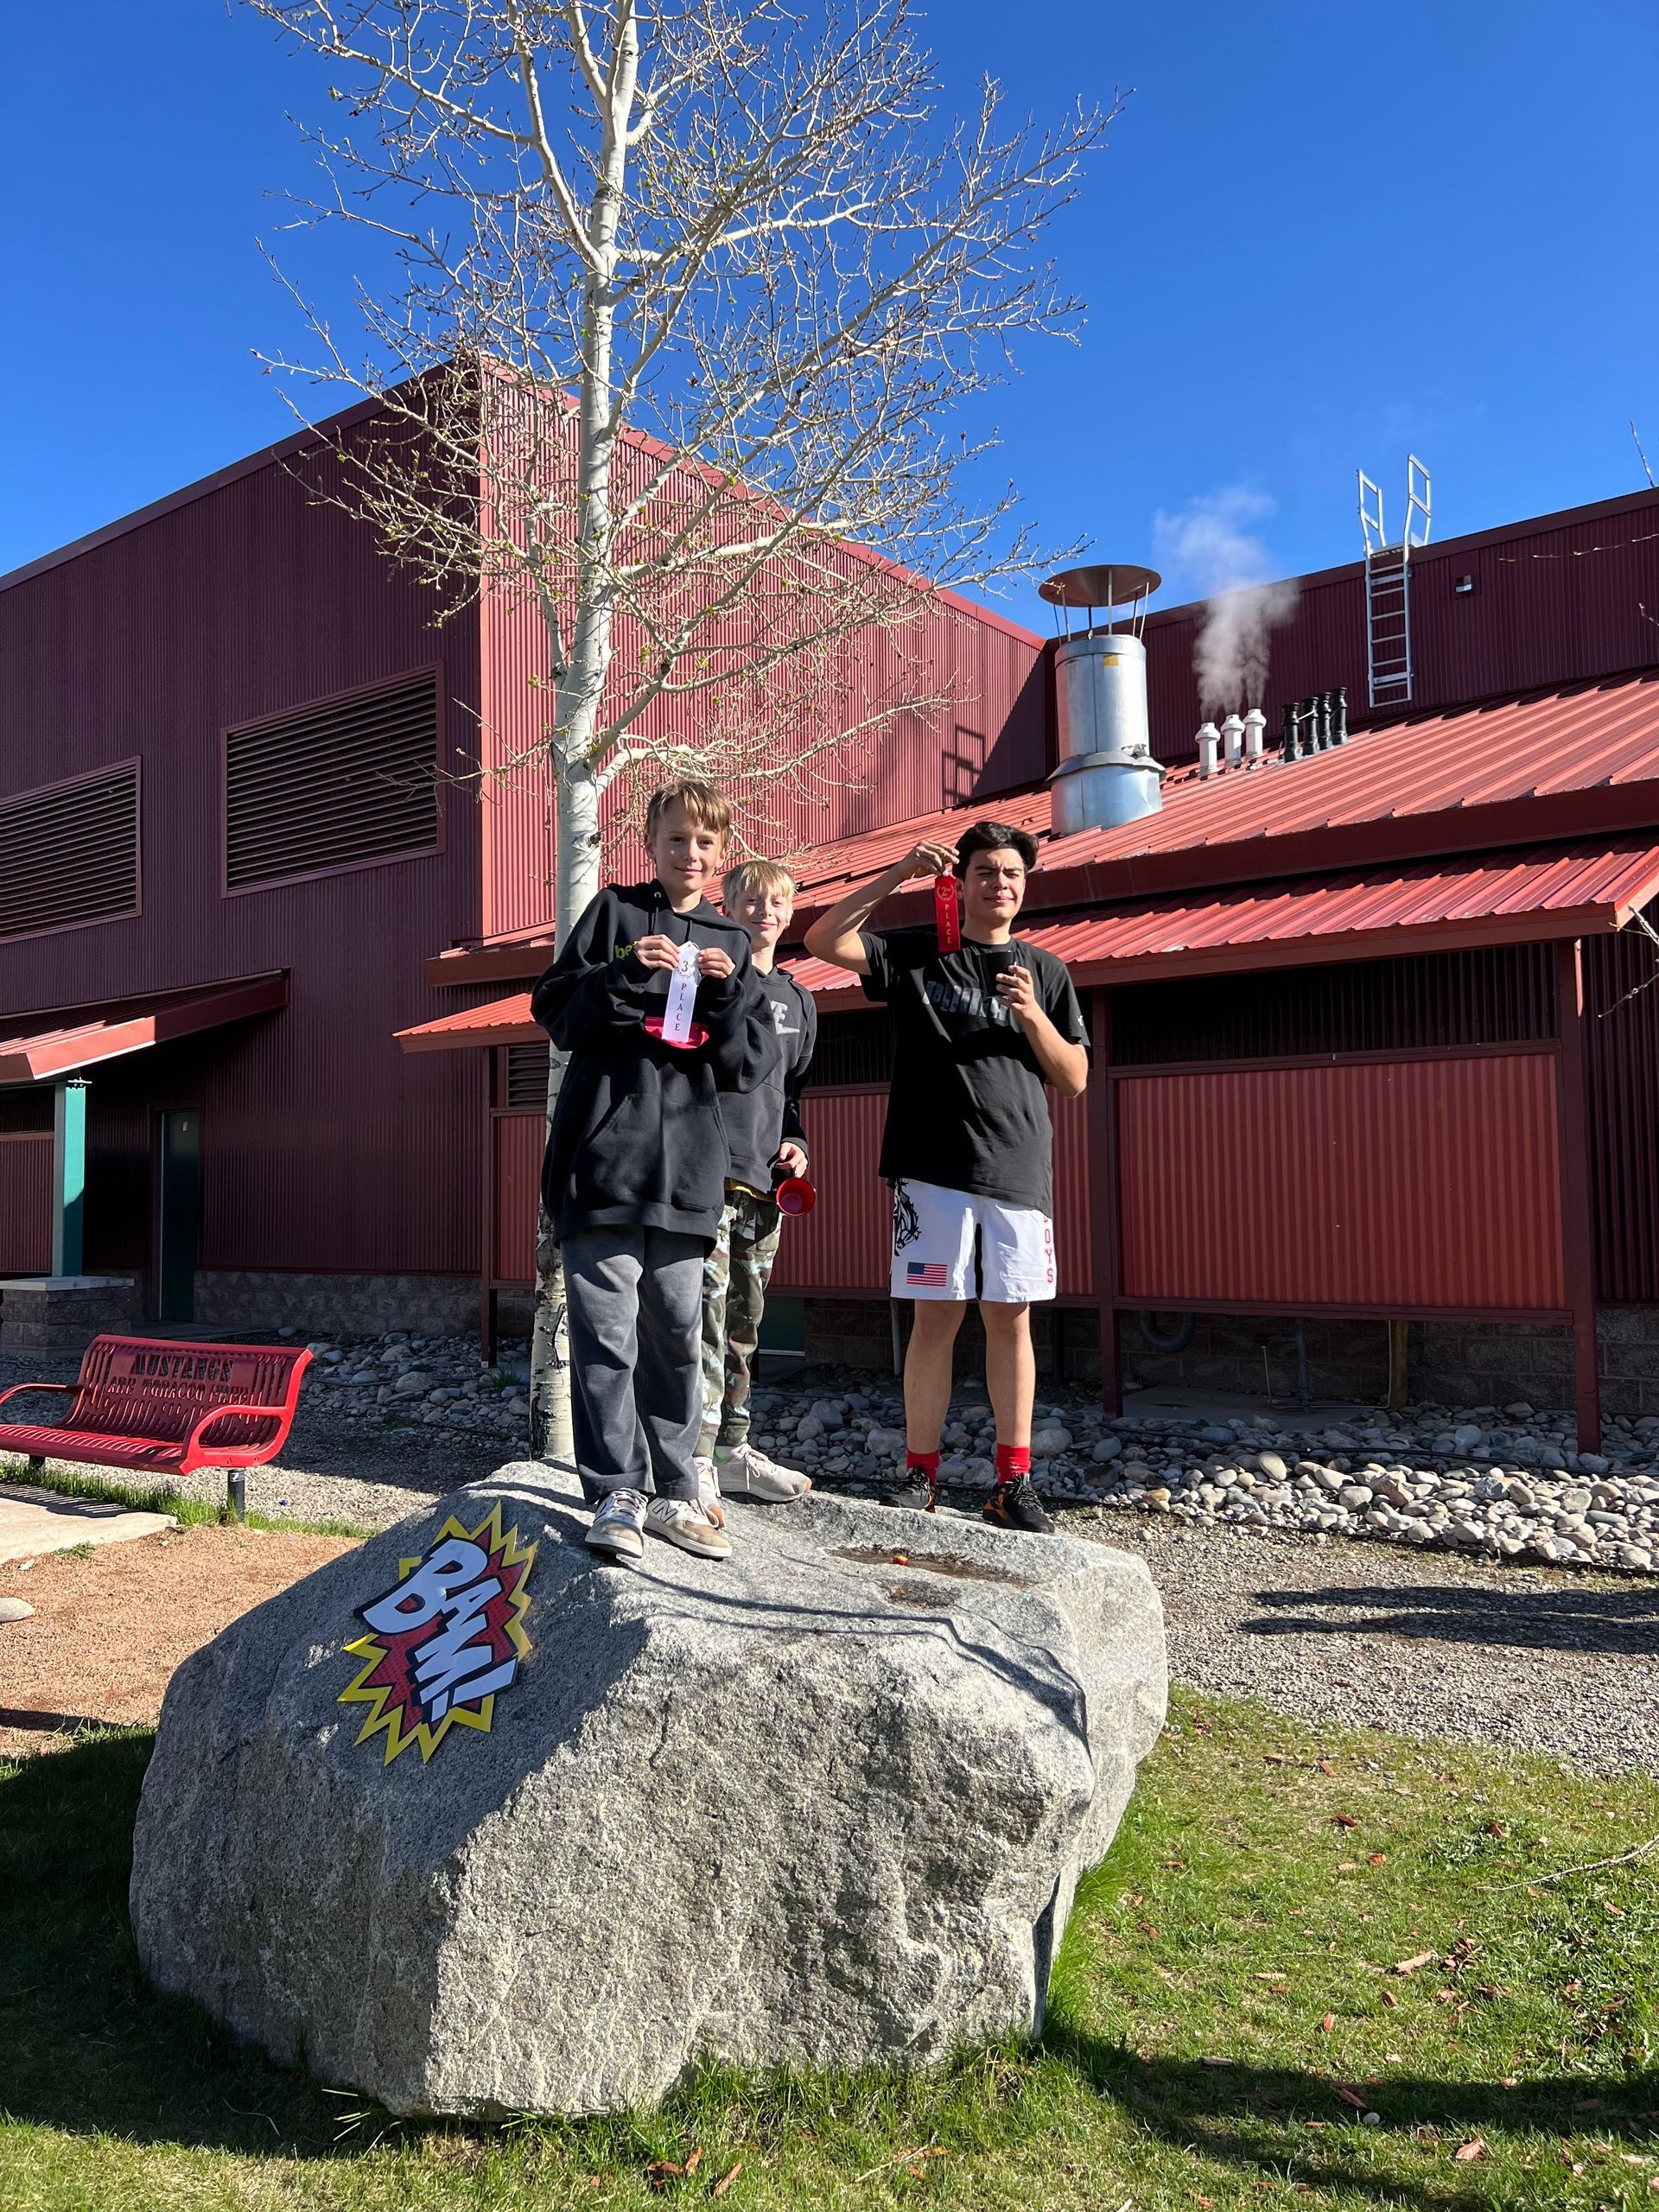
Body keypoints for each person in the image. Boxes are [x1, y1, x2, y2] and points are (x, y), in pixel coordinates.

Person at [803, 818, 1089, 1534]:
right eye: (987, 872)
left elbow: (1076, 1078)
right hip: (929, 1170)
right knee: (937, 1318)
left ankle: (1013, 1484)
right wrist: (896, 873)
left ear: (1025, 887)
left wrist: (1032, 1018)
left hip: (1017, 1171)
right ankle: (919, 1475)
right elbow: (821, 941)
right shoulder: (921, 953)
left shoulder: (1044, 972)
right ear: (960, 883)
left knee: (1010, 1319)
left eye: (1013, 874)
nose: (1001, 884)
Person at [532, 779, 775, 1567]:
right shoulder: (612, 912)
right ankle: (614, 1493)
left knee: (676, 1335)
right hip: (601, 1165)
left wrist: (730, 994)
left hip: (687, 1177)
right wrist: (622, 972)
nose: (691, 854)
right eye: (676, 839)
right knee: (605, 1338)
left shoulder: (731, 942)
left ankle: (675, 1491)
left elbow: (745, 1068)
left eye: (705, 842)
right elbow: (556, 1011)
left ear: (721, 852)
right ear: (649, 842)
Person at [697, 859, 818, 1503]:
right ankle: (692, 1455)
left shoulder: (800, 999)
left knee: (746, 1322)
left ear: (790, 912)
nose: (762, 912)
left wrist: (796, 1145)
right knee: (701, 1319)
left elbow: (789, 1096)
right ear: (726, 906)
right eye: (748, 900)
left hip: (763, 1189)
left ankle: (733, 1450)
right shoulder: (709, 977)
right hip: (707, 1175)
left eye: (774, 903)